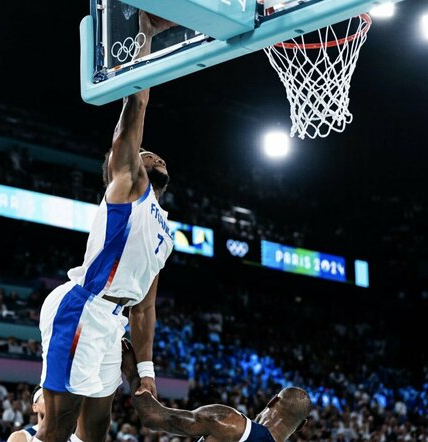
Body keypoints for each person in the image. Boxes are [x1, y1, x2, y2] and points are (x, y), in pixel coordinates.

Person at [37, 11, 176, 442]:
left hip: (112, 321)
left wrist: (147, 372)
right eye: (145, 152)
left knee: (95, 433)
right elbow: (136, 105)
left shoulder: (165, 231)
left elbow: (145, 306)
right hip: (83, 308)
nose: (153, 155)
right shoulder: (128, 183)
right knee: (57, 429)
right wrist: (144, 38)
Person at [121, 339, 312, 442]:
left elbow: (152, 418)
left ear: (271, 401)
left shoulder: (230, 422)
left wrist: (133, 373)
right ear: (302, 425)